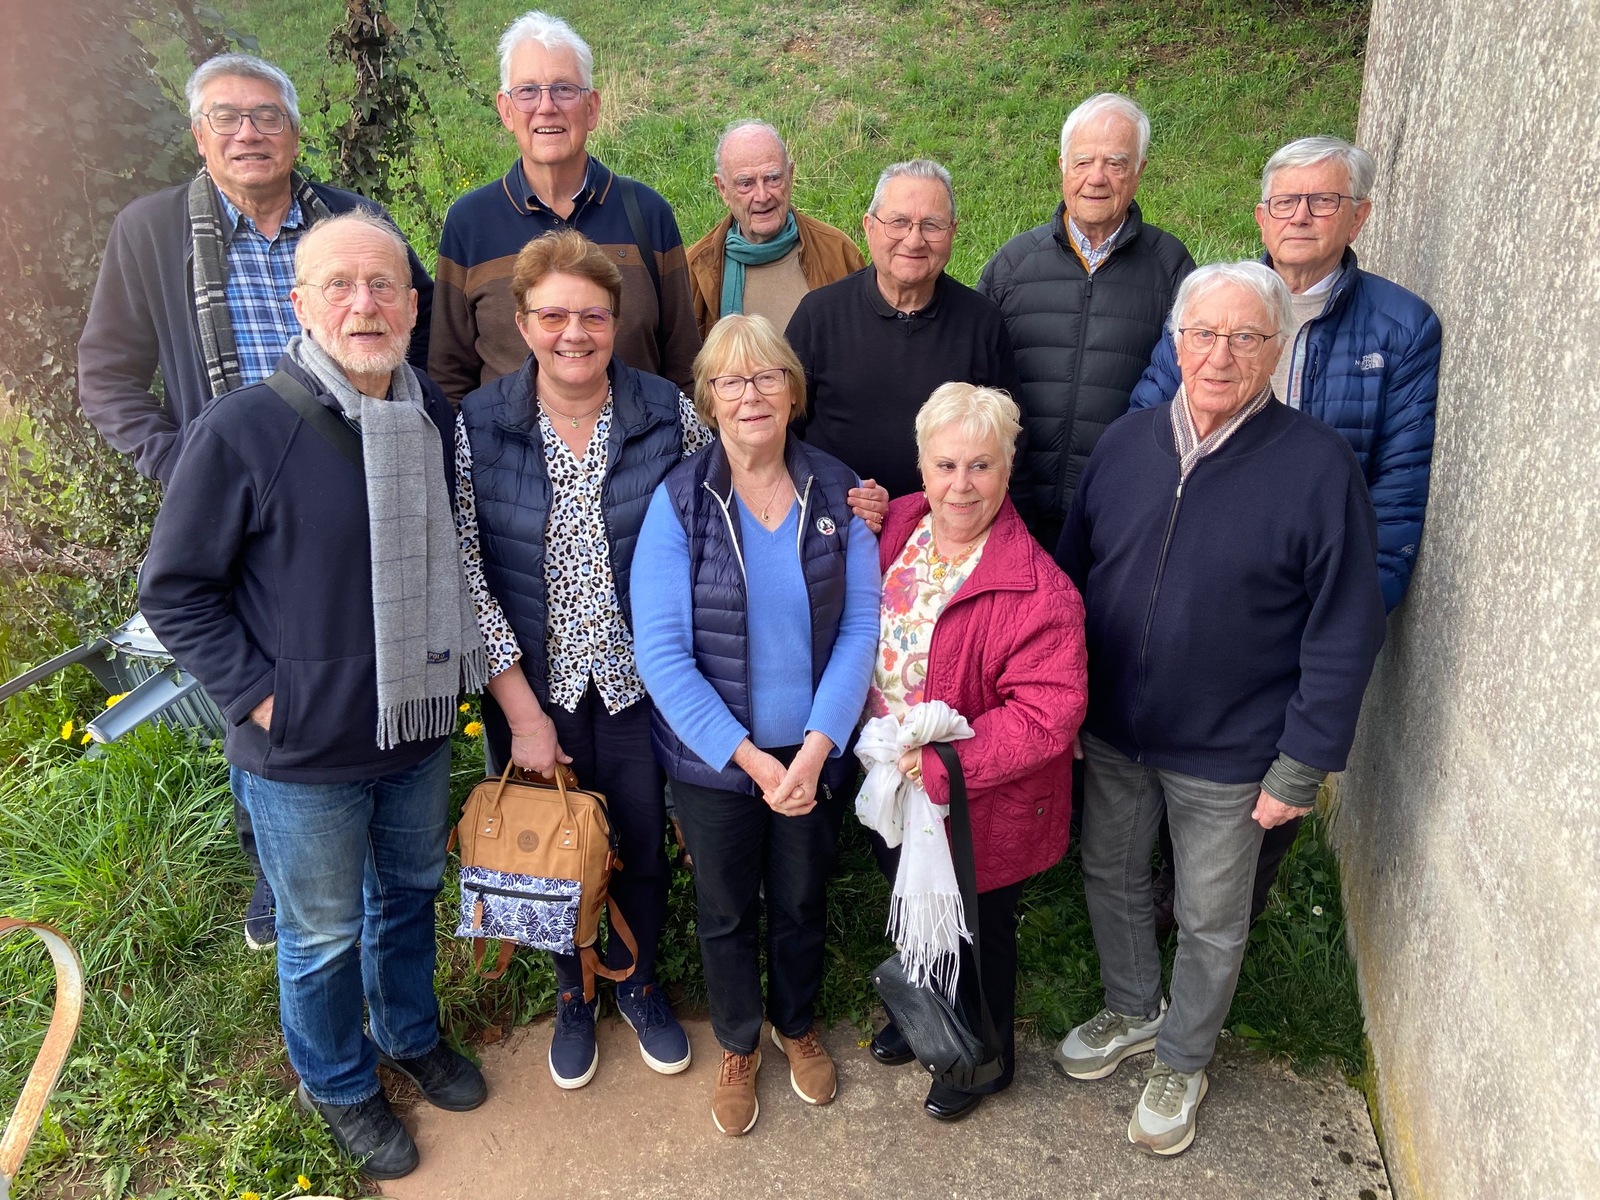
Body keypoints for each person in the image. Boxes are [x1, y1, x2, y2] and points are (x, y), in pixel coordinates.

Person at [138, 211, 486, 1180]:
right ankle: (337, 1082)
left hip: (415, 729)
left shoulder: (432, 418)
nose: (363, 303)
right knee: (322, 934)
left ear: (413, 305)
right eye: (338, 284)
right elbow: (173, 588)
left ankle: (409, 1033)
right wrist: (259, 696)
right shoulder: (247, 429)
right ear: (300, 303)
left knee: (409, 900)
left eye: (382, 284)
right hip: (302, 756)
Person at [78, 51, 434, 953]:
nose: (249, 132)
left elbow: (407, 319)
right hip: (239, 496)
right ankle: (279, 877)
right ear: (199, 135)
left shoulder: (354, 217)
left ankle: (373, 859)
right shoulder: (153, 231)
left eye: (267, 115)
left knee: (349, 662)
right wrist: (189, 462)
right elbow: (108, 374)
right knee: (263, 687)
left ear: (295, 130)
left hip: (355, 488)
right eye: (228, 117)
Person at [1055, 261, 1385, 1156]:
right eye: (1203, 333)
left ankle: (1184, 1055)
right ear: (1175, 340)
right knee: (1113, 879)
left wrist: (1302, 763)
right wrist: (1068, 708)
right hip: (1116, 732)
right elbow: (1070, 583)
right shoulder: (1125, 445)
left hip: (1235, 752)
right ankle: (1131, 1008)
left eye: (1245, 337)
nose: (1220, 354)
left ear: (1279, 349)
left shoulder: (1317, 466)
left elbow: (1345, 628)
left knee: (1210, 916)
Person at [1130, 136, 1439, 926]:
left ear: (1360, 214)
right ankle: (1166, 901)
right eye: (1285, 202)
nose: (1301, 216)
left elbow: (1399, 494)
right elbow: (1147, 423)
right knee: (1188, 748)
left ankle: (1226, 915)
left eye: (1323, 200)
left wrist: (1351, 611)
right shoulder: (1220, 300)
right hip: (1203, 576)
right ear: (1261, 216)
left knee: (1271, 769)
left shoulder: (1400, 329)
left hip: (1309, 590)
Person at [454, 228, 713, 1091]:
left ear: (617, 319)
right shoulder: (480, 426)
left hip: (641, 682)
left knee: (634, 838)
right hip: (537, 688)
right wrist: (521, 712)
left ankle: (636, 981)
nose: (575, 333)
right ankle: (573, 992)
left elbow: (713, 528)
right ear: (523, 323)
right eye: (554, 315)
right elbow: (468, 574)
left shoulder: (665, 411)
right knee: (548, 845)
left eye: (592, 315)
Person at [631, 314, 879, 1137]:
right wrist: (749, 760)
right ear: (706, 398)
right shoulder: (680, 502)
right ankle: (739, 1040)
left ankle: (795, 1023)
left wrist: (812, 751)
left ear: (792, 390)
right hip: (714, 760)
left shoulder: (838, 492)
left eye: (767, 376)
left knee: (803, 899)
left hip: (811, 751)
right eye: (731, 381)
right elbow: (662, 654)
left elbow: (860, 630)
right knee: (727, 906)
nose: (750, 395)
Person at [863, 383, 1087, 1122]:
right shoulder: (898, 524)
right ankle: (921, 1017)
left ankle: (980, 1061)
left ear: (1008, 467)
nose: (962, 485)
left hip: (976, 800)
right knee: (910, 901)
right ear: (921, 467)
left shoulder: (1039, 590)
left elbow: (1048, 715)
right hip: (889, 777)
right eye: (947, 464)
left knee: (977, 935)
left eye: (981, 466)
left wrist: (939, 768)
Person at [431, 10, 700, 400]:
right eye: (527, 91)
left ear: (591, 108)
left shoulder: (647, 214)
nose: (546, 107)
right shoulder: (470, 223)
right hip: (507, 457)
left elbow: (685, 369)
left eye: (563, 89)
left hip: (645, 456)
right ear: (506, 111)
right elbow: (448, 378)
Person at [977, 93, 1194, 551]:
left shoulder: (1172, 267)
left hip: (1119, 510)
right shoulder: (1012, 265)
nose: (1096, 178)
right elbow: (974, 383)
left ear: (1139, 172)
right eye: (1082, 162)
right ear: (1061, 166)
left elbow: (1186, 385)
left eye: (1115, 163)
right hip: (1013, 507)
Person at [786, 159, 1020, 501]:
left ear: (952, 232)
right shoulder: (819, 315)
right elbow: (780, 430)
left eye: (931, 225)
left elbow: (1008, 444)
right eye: (898, 222)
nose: (914, 241)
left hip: (944, 529)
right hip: (838, 521)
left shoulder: (981, 322)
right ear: (869, 226)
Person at [685, 120, 865, 338]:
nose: (762, 196)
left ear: (790, 175)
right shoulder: (694, 269)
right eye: (746, 183)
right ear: (722, 188)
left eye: (772, 178)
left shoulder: (838, 251)